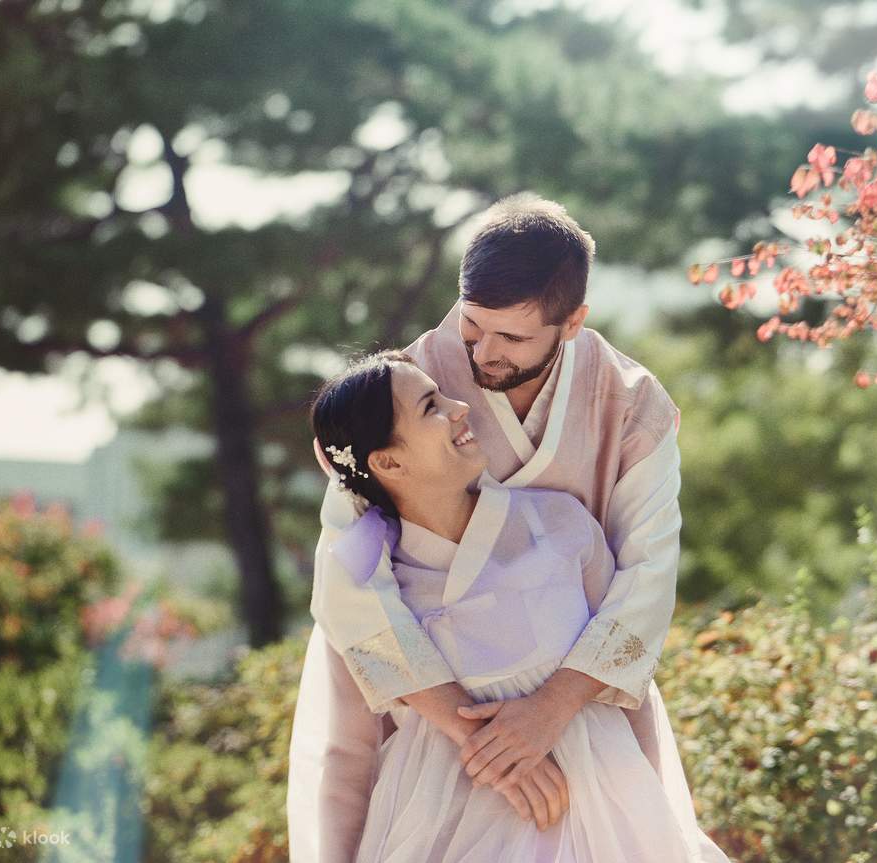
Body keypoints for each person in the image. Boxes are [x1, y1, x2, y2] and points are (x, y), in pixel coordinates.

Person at [288, 194, 715, 861]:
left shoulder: (632, 407)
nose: (481, 353)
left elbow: (647, 575)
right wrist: (479, 737)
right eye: (472, 325)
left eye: (511, 338)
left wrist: (548, 710)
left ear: (571, 322)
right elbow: (345, 578)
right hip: (424, 691)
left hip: (573, 683)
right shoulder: (399, 387)